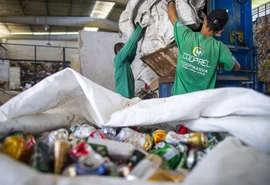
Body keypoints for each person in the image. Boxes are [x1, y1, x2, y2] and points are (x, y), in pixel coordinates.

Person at [164, 0, 241, 95]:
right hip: (202, 103)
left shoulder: (185, 35)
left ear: (205, 19)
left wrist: (170, 2)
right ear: (220, 31)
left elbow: (173, 17)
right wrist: (216, 62)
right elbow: (236, 67)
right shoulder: (220, 48)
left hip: (179, 101)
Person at [114, 25, 143, 98]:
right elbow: (130, 43)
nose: (126, 49)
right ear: (120, 51)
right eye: (124, 47)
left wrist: (136, 40)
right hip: (123, 95)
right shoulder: (119, 58)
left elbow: (132, 54)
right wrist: (139, 27)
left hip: (128, 95)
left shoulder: (125, 62)